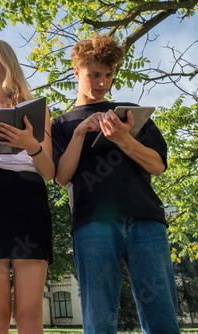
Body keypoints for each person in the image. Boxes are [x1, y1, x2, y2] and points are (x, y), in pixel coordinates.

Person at [50, 33, 180, 333]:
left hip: (146, 219)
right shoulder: (60, 124)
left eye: (108, 75)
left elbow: (157, 166)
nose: (102, 83)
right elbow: (61, 176)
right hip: (92, 223)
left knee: (162, 316)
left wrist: (123, 139)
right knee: (98, 320)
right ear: (76, 72)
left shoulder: (132, 114)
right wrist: (81, 132)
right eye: (94, 75)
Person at [0, 38, 55, 333]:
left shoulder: (35, 110)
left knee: (28, 312)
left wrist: (30, 144)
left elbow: (48, 172)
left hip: (30, 202)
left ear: (10, 63)